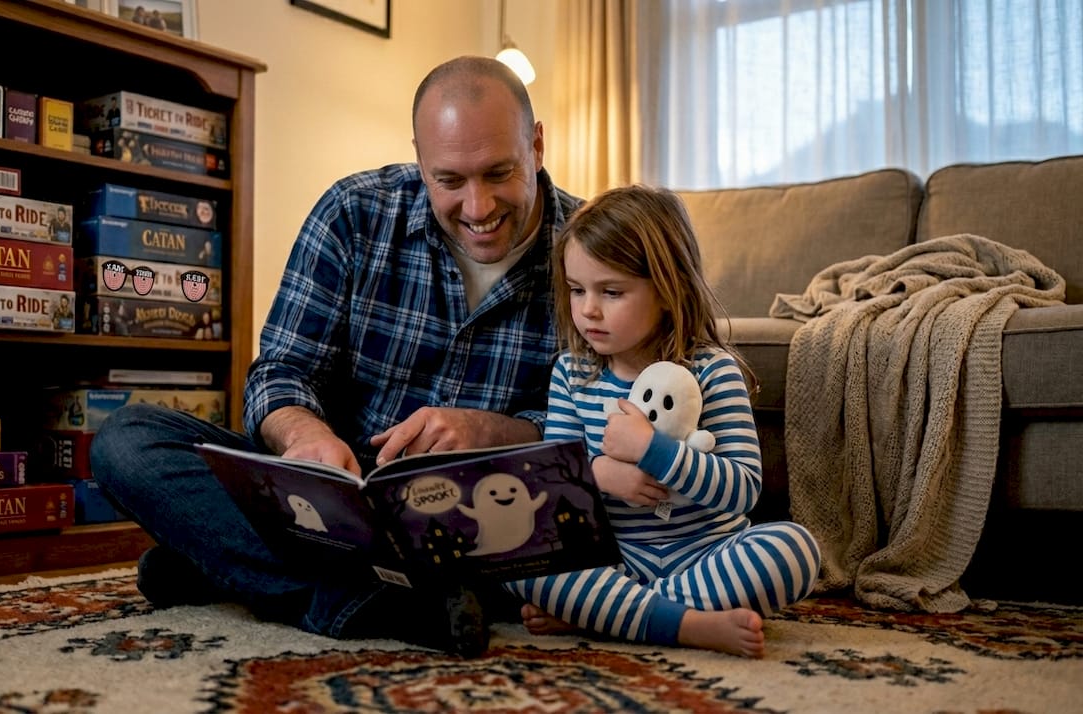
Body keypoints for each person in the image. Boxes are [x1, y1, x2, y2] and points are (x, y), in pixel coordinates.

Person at [89, 55, 584, 658]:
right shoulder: (354, 213)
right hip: (335, 512)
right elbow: (280, 372)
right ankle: (362, 595)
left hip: (484, 523)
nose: (477, 208)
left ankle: (240, 569)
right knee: (125, 440)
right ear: (419, 159)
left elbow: (605, 432)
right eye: (449, 181)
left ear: (536, 146)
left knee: (577, 550)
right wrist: (305, 440)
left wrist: (492, 430)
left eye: (499, 172)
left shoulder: (595, 252)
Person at [501, 185, 821, 658]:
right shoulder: (572, 373)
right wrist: (598, 474)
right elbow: (556, 490)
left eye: (611, 292)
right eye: (576, 290)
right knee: (514, 553)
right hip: (614, 562)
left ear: (669, 291)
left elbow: (743, 488)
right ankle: (688, 625)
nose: (588, 309)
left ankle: (609, 616)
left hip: (707, 555)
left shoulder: (714, 371)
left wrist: (654, 450)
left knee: (795, 549)